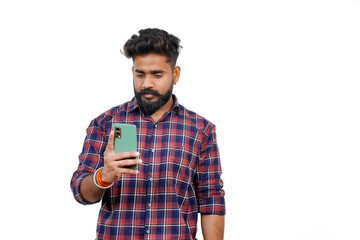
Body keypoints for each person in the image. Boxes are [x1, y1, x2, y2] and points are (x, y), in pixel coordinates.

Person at [70, 28, 225, 240]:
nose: (147, 84)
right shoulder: (104, 123)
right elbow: (81, 193)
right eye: (140, 74)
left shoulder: (201, 130)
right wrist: (104, 176)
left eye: (157, 74)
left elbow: (211, 199)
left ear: (176, 74)